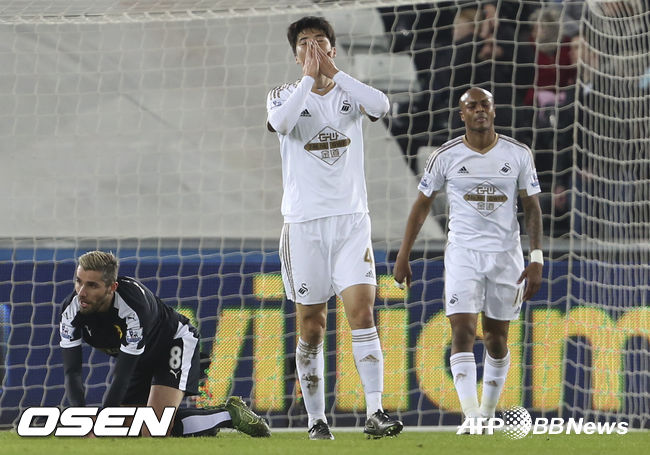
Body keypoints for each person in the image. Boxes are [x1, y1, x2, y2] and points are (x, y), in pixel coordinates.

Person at [266, 16, 403, 440]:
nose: (313, 47)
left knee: (362, 313)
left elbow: (381, 106)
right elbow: (282, 124)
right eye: (304, 43)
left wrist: (334, 74)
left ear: (333, 48)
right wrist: (310, 80)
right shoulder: (283, 95)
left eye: (320, 41)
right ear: (295, 55)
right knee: (312, 326)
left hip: (351, 223)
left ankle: (375, 412)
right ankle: (316, 420)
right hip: (304, 226)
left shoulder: (349, 92)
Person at [393, 88, 543, 424]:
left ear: (494, 110)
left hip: (505, 256)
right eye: (471, 106)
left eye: (484, 104)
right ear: (462, 114)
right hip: (463, 253)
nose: (479, 110)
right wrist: (404, 254)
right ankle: (472, 416)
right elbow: (421, 206)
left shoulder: (518, 153)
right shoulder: (445, 156)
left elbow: (532, 207)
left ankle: (487, 413)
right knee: (462, 330)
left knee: (496, 339)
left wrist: (537, 257)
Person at [59, 250, 271, 438]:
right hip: (141, 357)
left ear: (111, 287)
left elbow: (122, 375)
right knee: (128, 426)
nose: (81, 292)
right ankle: (202, 426)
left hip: (173, 342)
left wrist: (101, 425)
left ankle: (229, 414)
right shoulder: (71, 311)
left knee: (154, 428)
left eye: (92, 285)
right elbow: (72, 372)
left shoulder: (132, 309)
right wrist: (82, 421)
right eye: (79, 281)